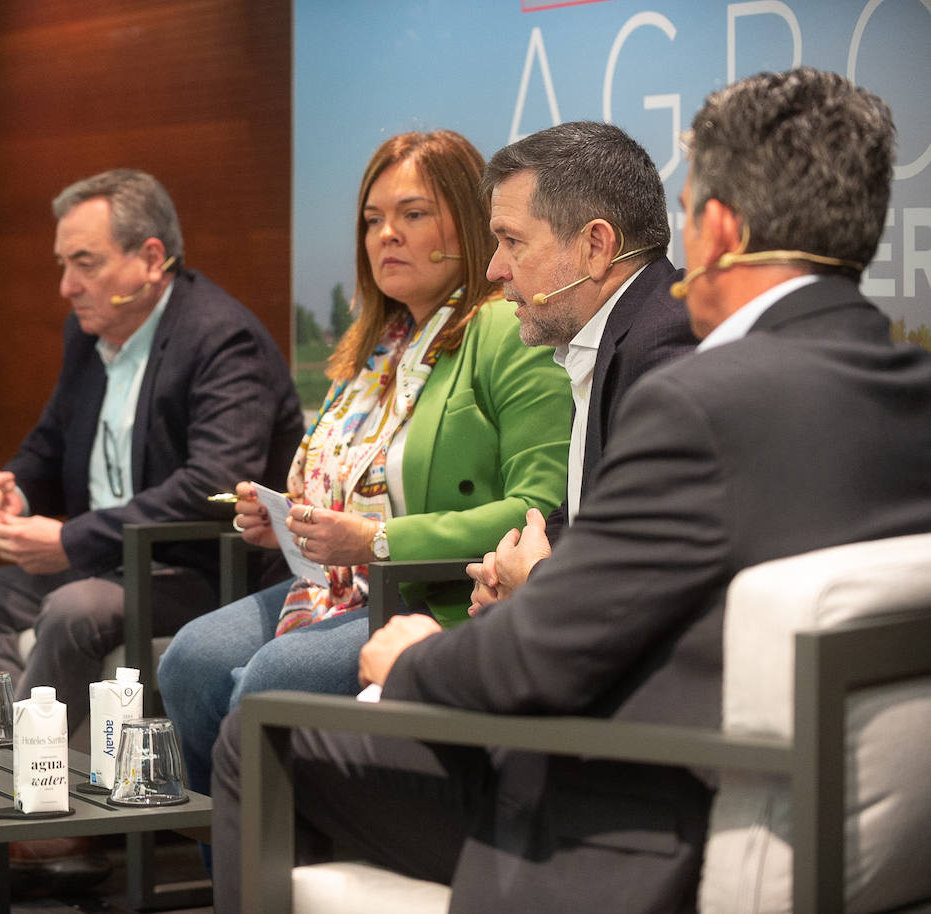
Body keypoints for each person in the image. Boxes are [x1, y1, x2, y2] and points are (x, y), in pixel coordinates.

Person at [208, 68, 931, 912]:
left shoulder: (702, 401)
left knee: (256, 741)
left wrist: (411, 660)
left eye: (688, 213)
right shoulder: (908, 386)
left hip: (629, 817)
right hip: (832, 824)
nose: (496, 270)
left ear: (723, 229)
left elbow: (537, 657)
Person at [0, 168, 302, 892]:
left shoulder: (221, 339)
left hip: (204, 572)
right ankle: (5, 795)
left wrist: (71, 541)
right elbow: (52, 443)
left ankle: (36, 819)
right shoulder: (90, 335)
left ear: (150, 260)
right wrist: (12, 486)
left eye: (84, 263)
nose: (66, 285)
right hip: (110, 563)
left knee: (72, 607)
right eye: (62, 264)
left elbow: (213, 488)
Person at [158, 130, 572, 804]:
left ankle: (287, 875)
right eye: (373, 221)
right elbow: (345, 490)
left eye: (412, 215)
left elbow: (537, 509)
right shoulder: (377, 346)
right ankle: (230, 876)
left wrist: (376, 541)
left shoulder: (504, 329)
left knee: (268, 680)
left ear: (468, 225)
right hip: (340, 586)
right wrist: (288, 523)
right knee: (190, 661)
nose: (386, 236)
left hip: (434, 595)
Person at [467, 121, 697, 612]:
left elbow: (650, 582)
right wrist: (507, 568)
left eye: (512, 241)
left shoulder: (666, 353)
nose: (494, 270)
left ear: (595, 246)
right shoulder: (616, 333)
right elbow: (593, 518)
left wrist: (536, 583)